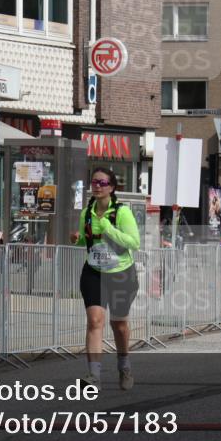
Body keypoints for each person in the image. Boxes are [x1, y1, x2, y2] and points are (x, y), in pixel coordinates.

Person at [70, 167, 141, 391]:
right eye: (94, 182)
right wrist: (78, 239)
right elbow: (88, 240)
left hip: (121, 274)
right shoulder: (86, 212)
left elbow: (134, 242)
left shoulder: (121, 212)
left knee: (119, 324)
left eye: (102, 183)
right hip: (94, 271)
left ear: (111, 187)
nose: (97, 186)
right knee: (94, 321)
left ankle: (124, 366)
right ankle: (94, 376)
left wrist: (108, 228)